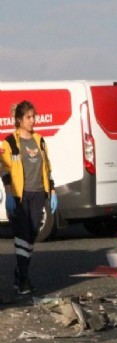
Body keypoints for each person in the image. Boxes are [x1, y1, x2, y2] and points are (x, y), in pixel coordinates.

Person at [1, 101, 57, 295]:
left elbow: (47, 167)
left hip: (38, 194)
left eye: (34, 116)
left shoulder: (40, 141)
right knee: (22, 236)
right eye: (29, 117)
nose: (33, 120)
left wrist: (53, 191)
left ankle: (20, 273)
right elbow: (4, 169)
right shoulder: (9, 143)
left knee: (32, 235)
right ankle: (23, 279)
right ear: (19, 120)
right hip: (19, 196)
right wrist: (9, 194)